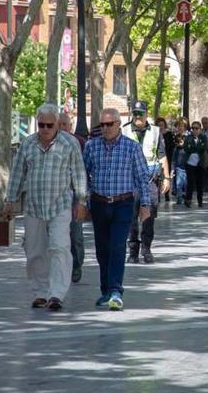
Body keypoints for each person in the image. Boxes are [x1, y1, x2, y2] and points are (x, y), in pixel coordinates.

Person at [5, 104, 87, 311]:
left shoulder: (69, 144)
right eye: (41, 125)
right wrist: (9, 200)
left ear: (58, 125)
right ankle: (40, 292)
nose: (45, 129)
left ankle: (57, 294)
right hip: (33, 206)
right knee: (34, 251)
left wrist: (82, 201)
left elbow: (78, 174)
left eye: (49, 125)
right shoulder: (27, 144)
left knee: (59, 247)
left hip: (60, 205)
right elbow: (17, 173)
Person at [83, 108, 152, 311]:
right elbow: (83, 175)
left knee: (117, 246)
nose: (105, 128)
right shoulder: (91, 146)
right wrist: (84, 201)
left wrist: (146, 205)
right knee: (102, 250)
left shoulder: (132, 147)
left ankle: (115, 291)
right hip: (99, 203)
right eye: (102, 125)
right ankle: (106, 291)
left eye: (109, 124)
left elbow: (142, 178)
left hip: (123, 203)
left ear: (118, 124)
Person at [123, 101, 170, 264]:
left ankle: (146, 248)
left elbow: (162, 156)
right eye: (134, 113)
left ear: (146, 114)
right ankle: (133, 250)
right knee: (131, 216)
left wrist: (166, 178)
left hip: (150, 180)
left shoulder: (156, 132)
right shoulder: (124, 130)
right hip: (130, 180)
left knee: (148, 216)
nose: (137, 116)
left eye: (140, 113)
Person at [58, 113, 87, 282]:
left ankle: (76, 265)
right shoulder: (49, 143)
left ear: (70, 125)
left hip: (75, 195)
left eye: (64, 124)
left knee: (75, 233)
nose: (61, 128)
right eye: (59, 124)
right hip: (55, 196)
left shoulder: (80, 143)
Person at [183, 121, 208, 208]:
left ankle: (200, 200)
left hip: (200, 163)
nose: (194, 130)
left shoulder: (203, 137)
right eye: (192, 128)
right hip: (190, 163)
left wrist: (194, 148)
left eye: (196, 128)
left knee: (200, 183)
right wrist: (196, 148)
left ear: (200, 129)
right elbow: (186, 148)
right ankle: (188, 199)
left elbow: (203, 147)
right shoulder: (188, 138)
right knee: (190, 182)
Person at [157, 117, 176, 203]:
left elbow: (172, 146)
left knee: (166, 175)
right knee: (157, 177)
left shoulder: (168, 134)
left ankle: (166, 194)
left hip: (167, 157)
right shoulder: (155, 134)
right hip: (157, 158)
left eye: (162, 125)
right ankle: (157, 194)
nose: (161, 126)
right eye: (159, 125)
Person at [171, 120, 189, 203]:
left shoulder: (188, 136)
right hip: (178, 162)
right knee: (179, 182)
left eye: (182, 126)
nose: (180, 127)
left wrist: (184, 145)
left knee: (186, 182)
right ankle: (179, 198)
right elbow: (174, 149)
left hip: (187, 162)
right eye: (178, 126)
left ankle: (186, 196)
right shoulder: (175, 136)